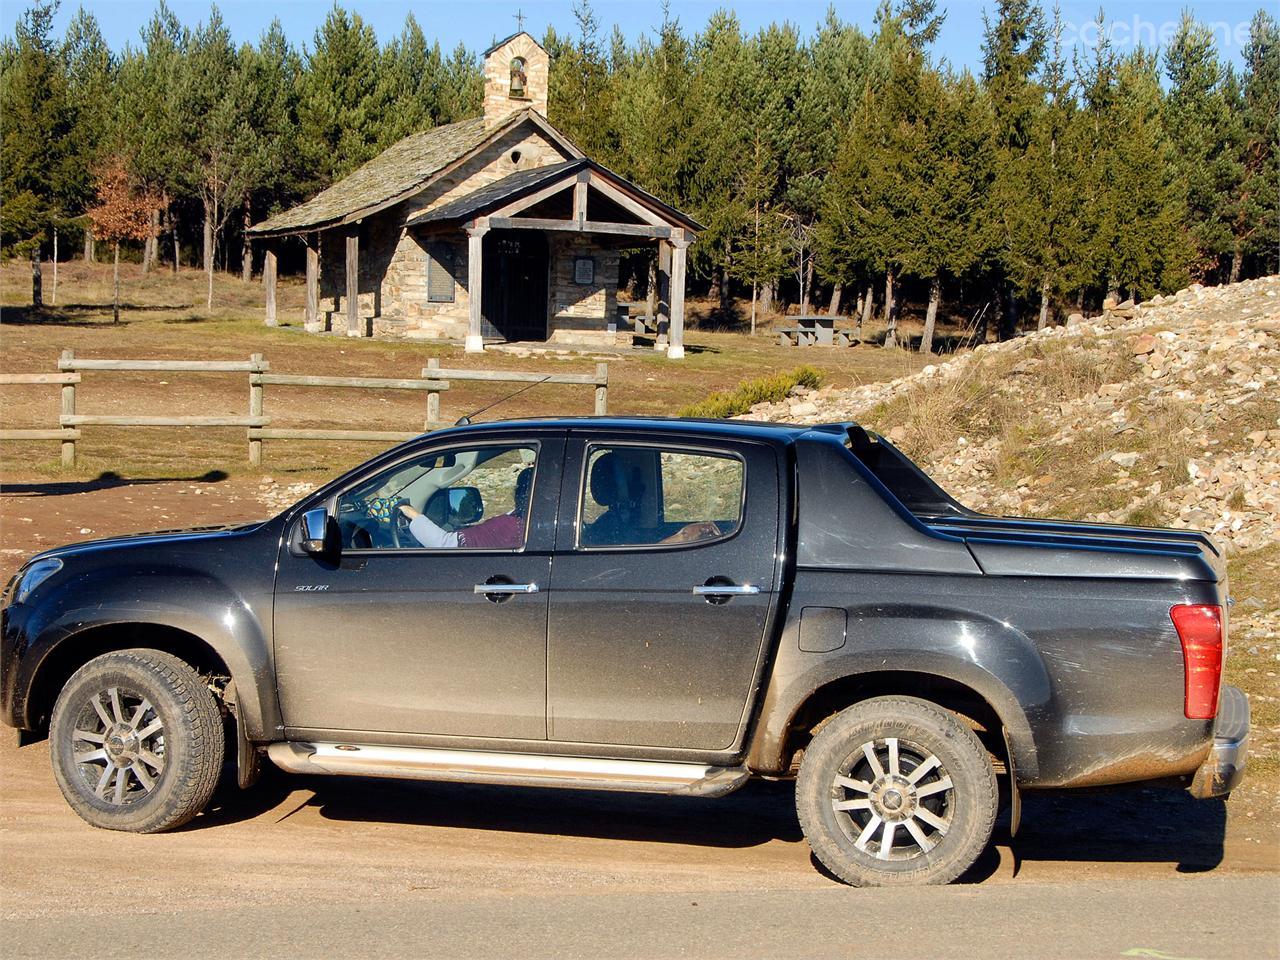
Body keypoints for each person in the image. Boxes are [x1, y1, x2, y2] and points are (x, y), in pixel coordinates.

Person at [398, 467, 532, 549]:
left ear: (518, 495)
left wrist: (412, 514)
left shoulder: (510, 527)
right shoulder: (536, 525)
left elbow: (444, 545)